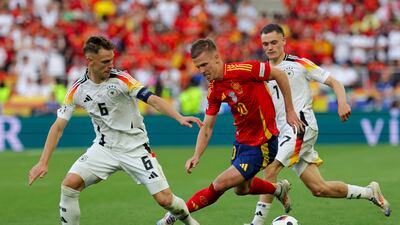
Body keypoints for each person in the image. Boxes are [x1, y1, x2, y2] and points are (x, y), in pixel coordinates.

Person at [28, 36, 202, 225]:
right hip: (104, 149)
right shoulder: (77, 90)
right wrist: (43, 162)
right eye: (105, 61)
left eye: (112, 60)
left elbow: (152, 99)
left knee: (165, 200)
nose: (110, 65)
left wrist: (179, 117)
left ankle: (188, 221)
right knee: (69, 186)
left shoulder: (122, 79)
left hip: (135, 147)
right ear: (90, 61)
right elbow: (58, 127)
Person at [245, 24, 391, 225]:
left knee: (270, 170)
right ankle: (369, 192)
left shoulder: (300, 64)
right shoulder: (262, 72)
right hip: (282, 132)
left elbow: (334, 82)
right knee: (319, 188)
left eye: (273, 42)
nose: (269, 47)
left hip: (300, 127)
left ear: (283, 42)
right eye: (265, 44)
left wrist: (342, 101)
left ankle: (257, 223)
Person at [157, 38, 305, 225]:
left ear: (217, 58)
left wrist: (290, 110)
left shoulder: (245, 70)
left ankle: (174, 215)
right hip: (242, 143)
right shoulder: (214, 90)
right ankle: (278, 189)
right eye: (198, 67)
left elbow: (280, 75)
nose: (202, 71)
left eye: (204, 64)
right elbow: (207, 127)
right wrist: (196, 155)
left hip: (263, 142)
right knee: (241, 189)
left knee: (220, 184)